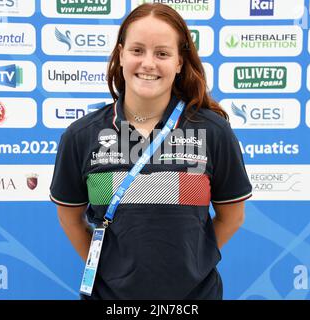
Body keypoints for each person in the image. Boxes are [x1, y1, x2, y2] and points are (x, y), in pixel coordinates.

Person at [49, 3, 252, 300]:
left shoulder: (213, 132)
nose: (148, 63)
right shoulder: (81, 136)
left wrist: (193, 265)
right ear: (121, 55)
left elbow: (232, 216)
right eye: (137, 50)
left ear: (180, 62)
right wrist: (110, 271)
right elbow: (70, 218)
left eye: (162, 53)